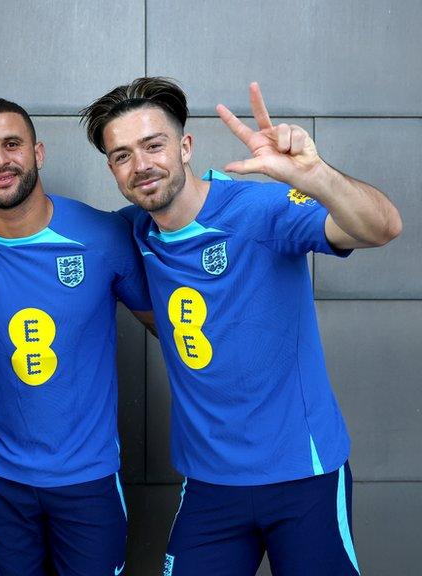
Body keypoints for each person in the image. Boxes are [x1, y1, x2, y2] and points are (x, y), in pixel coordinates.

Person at [76, 77, 401, 575]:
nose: (140, 165)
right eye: (122, 155)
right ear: (112, 169)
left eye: (152, 145)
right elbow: (34, 223)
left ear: (185, 146)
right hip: (209, 485)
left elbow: (382, 227)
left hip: (302, 475)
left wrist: (316, 177)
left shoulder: (260, 212)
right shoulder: (132, 231)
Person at [0, 98, 155, 576]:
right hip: (0, 482)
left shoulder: (102, 236)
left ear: (38, 152)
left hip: (91, 478)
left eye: (11, 144)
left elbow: (170, 332)